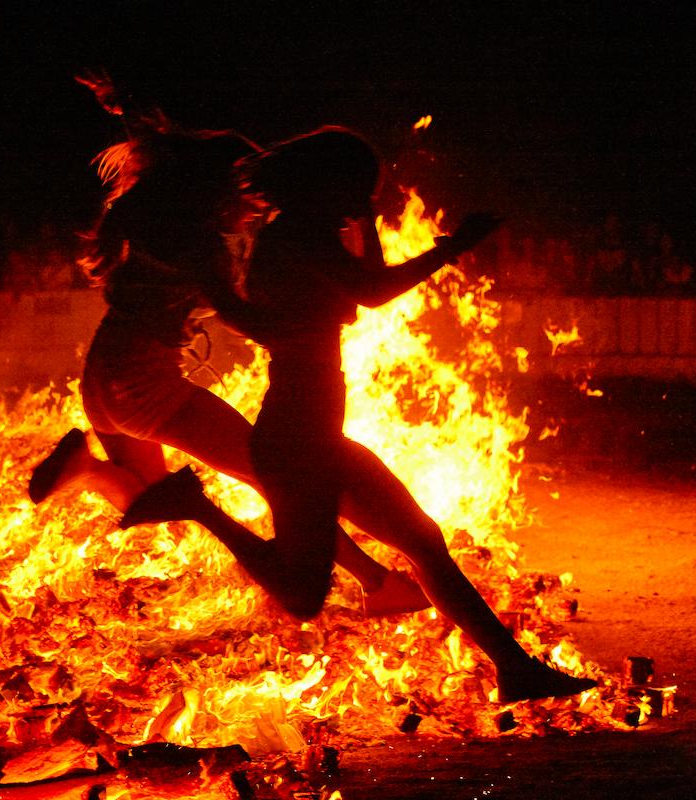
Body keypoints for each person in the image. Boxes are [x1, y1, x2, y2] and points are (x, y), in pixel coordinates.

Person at [164, 127, 595, 702]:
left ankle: (515, 670)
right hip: (297, 434)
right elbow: (371, 293)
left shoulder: (307, 233)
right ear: (329, 185)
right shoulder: (295, 237)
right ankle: (193, 505)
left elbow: (358, 296)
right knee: (303, 594)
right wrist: (451, 246)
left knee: (422, 541)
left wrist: (365, 220)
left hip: (315, 432)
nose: (367, 198)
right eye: (361, 188)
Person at [30, 81, 427, 616]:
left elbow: (175, 156)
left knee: (152, 497)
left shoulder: (162, 218)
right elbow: (243, 311)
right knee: (280, 480)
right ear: (217, 189)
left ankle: (90, 470)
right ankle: (378, 584)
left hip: (103, 377)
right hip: (143, 385)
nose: (257, 206)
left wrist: (128, 104)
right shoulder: (199, 240)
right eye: (249, 196)